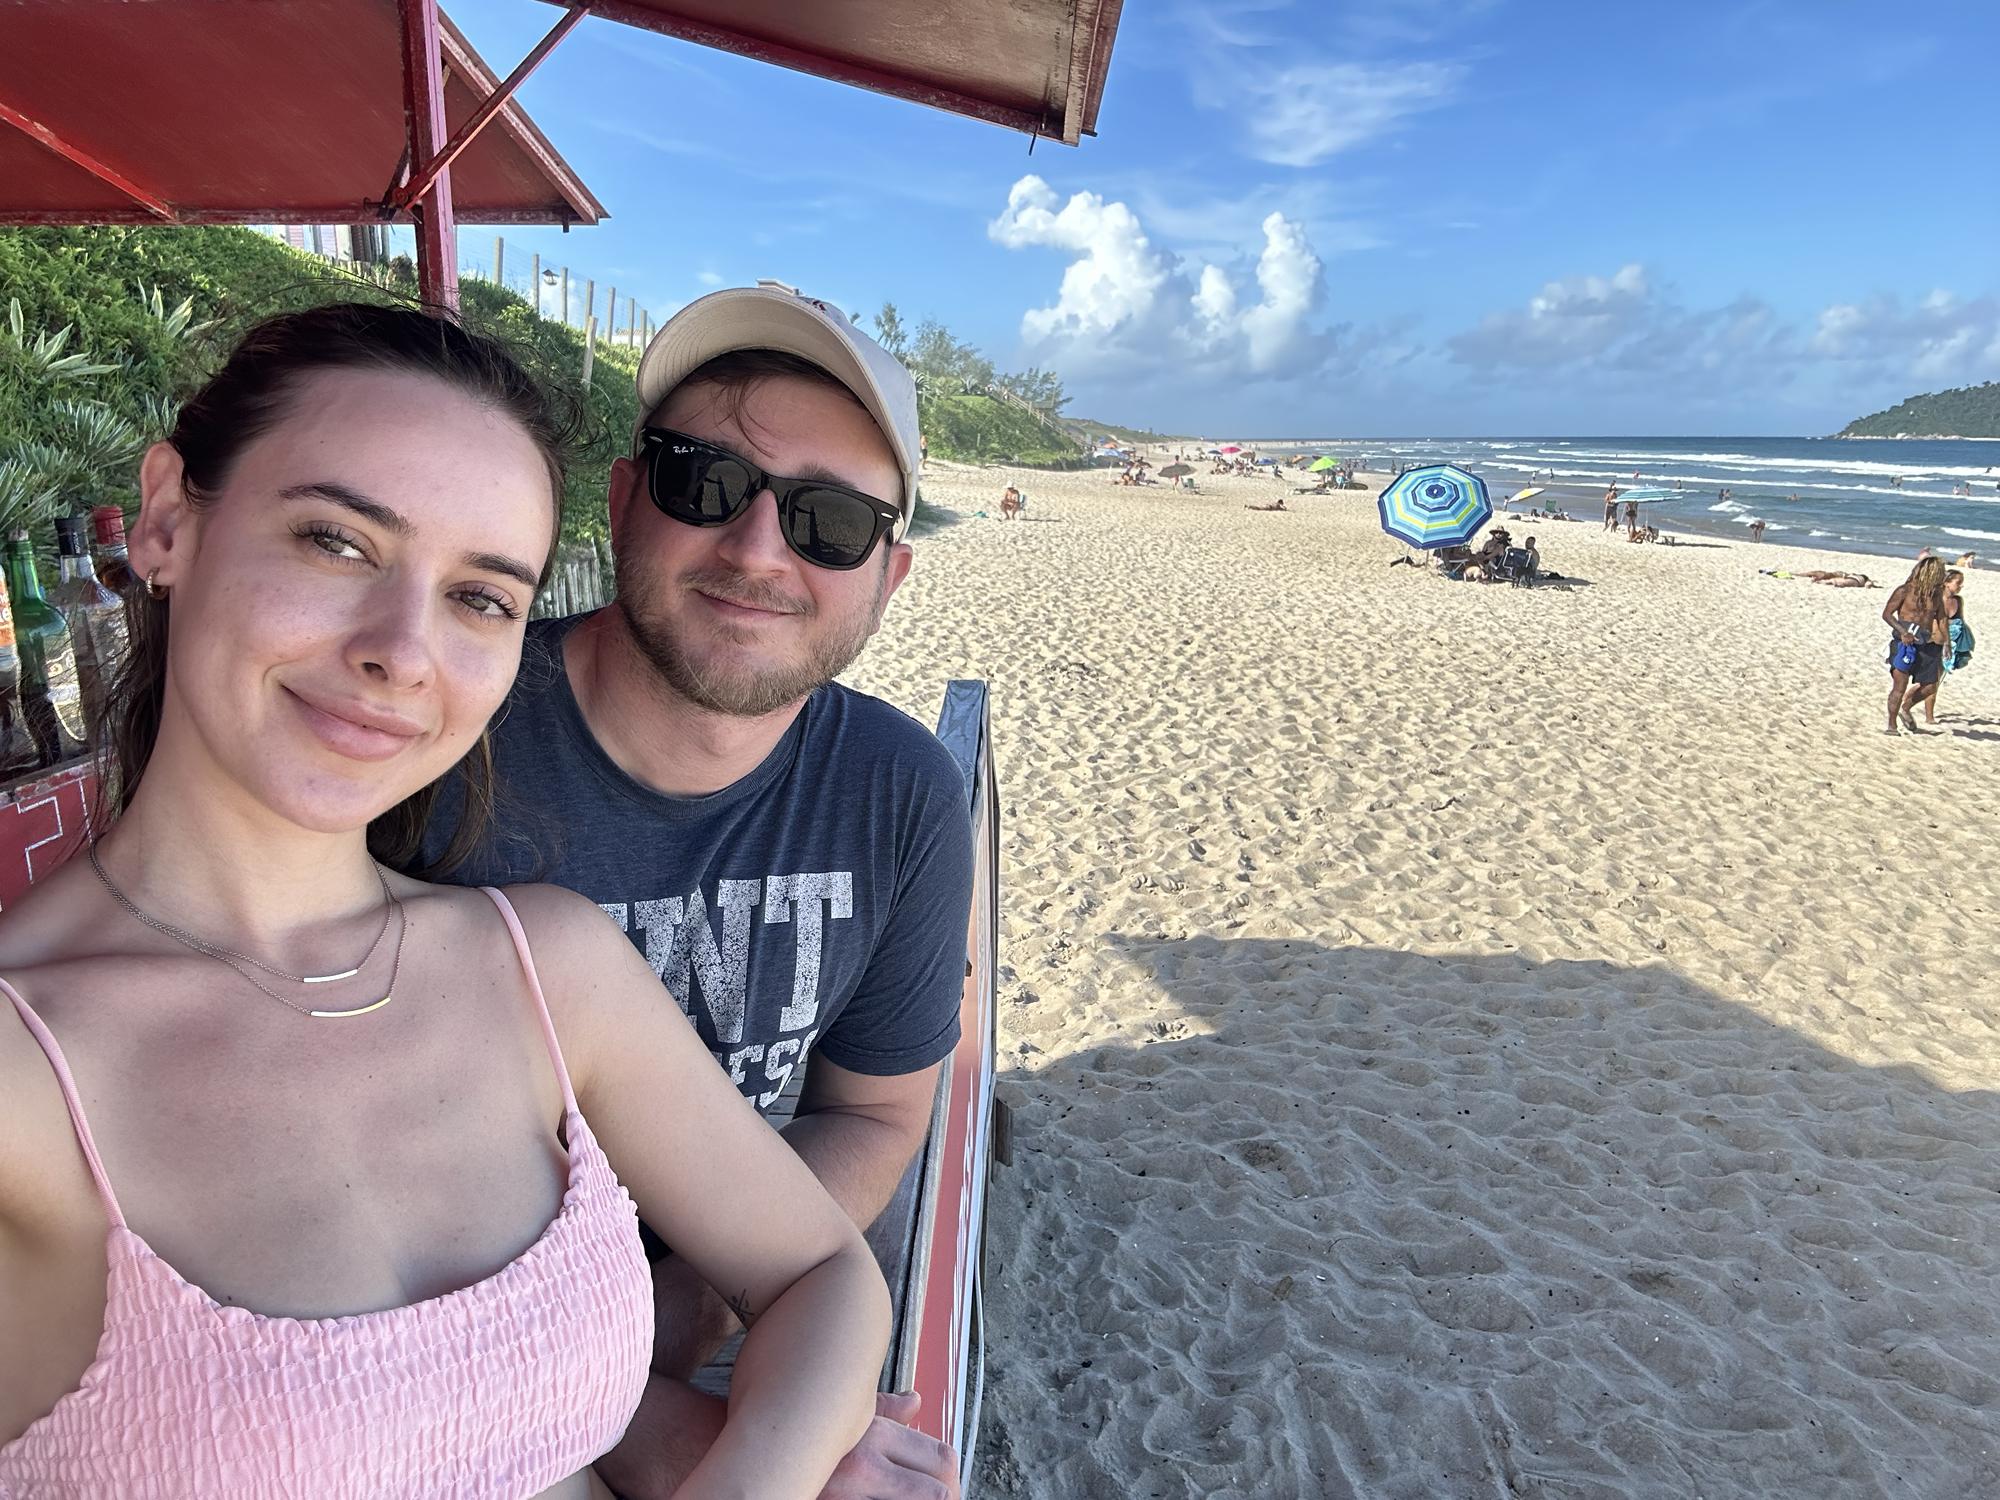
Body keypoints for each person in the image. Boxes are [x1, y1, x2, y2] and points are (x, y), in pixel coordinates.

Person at [0, 304, 889, 1498]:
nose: (402, 651)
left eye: (480, 598)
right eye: (336, 542)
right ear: (166, 520)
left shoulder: (544, 965)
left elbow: (822, 1274)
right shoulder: (28, 1069)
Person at [419, 285, 971, 1500]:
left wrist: (685, 1315)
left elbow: (876, 1116)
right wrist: (648, 1412)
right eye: (705, 481)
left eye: (829, 522)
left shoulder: (899, 795)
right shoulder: (436, 742)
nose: (758, 550)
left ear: (889, 576)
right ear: (624, 499)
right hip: (435, 1339)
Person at [1883, 556, 1952, 734]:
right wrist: (1902, 631)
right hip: (1903, 643)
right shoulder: (1904, 590)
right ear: (1931, 573)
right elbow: (1887, 614)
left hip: (1926, 643)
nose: (1943, 575)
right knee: (1900, 686)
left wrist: (1947, 643)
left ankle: (1906, 707)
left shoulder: (1936, 595)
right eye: (1940, 572)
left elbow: (1942, 619)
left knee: (1930, 686)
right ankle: (1892, 725)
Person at [1906, 569, 1970, 724]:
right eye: (1958, 583)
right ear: (1947, 582)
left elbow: (1960, 621)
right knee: (1928, 682)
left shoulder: (1958, 601)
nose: (1961, 586)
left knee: (1936, 681)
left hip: (1947, 643)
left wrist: (1957, 642)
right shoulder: (1935, 599)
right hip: (1930, 643)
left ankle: (1929, 716)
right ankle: (1906, 704)